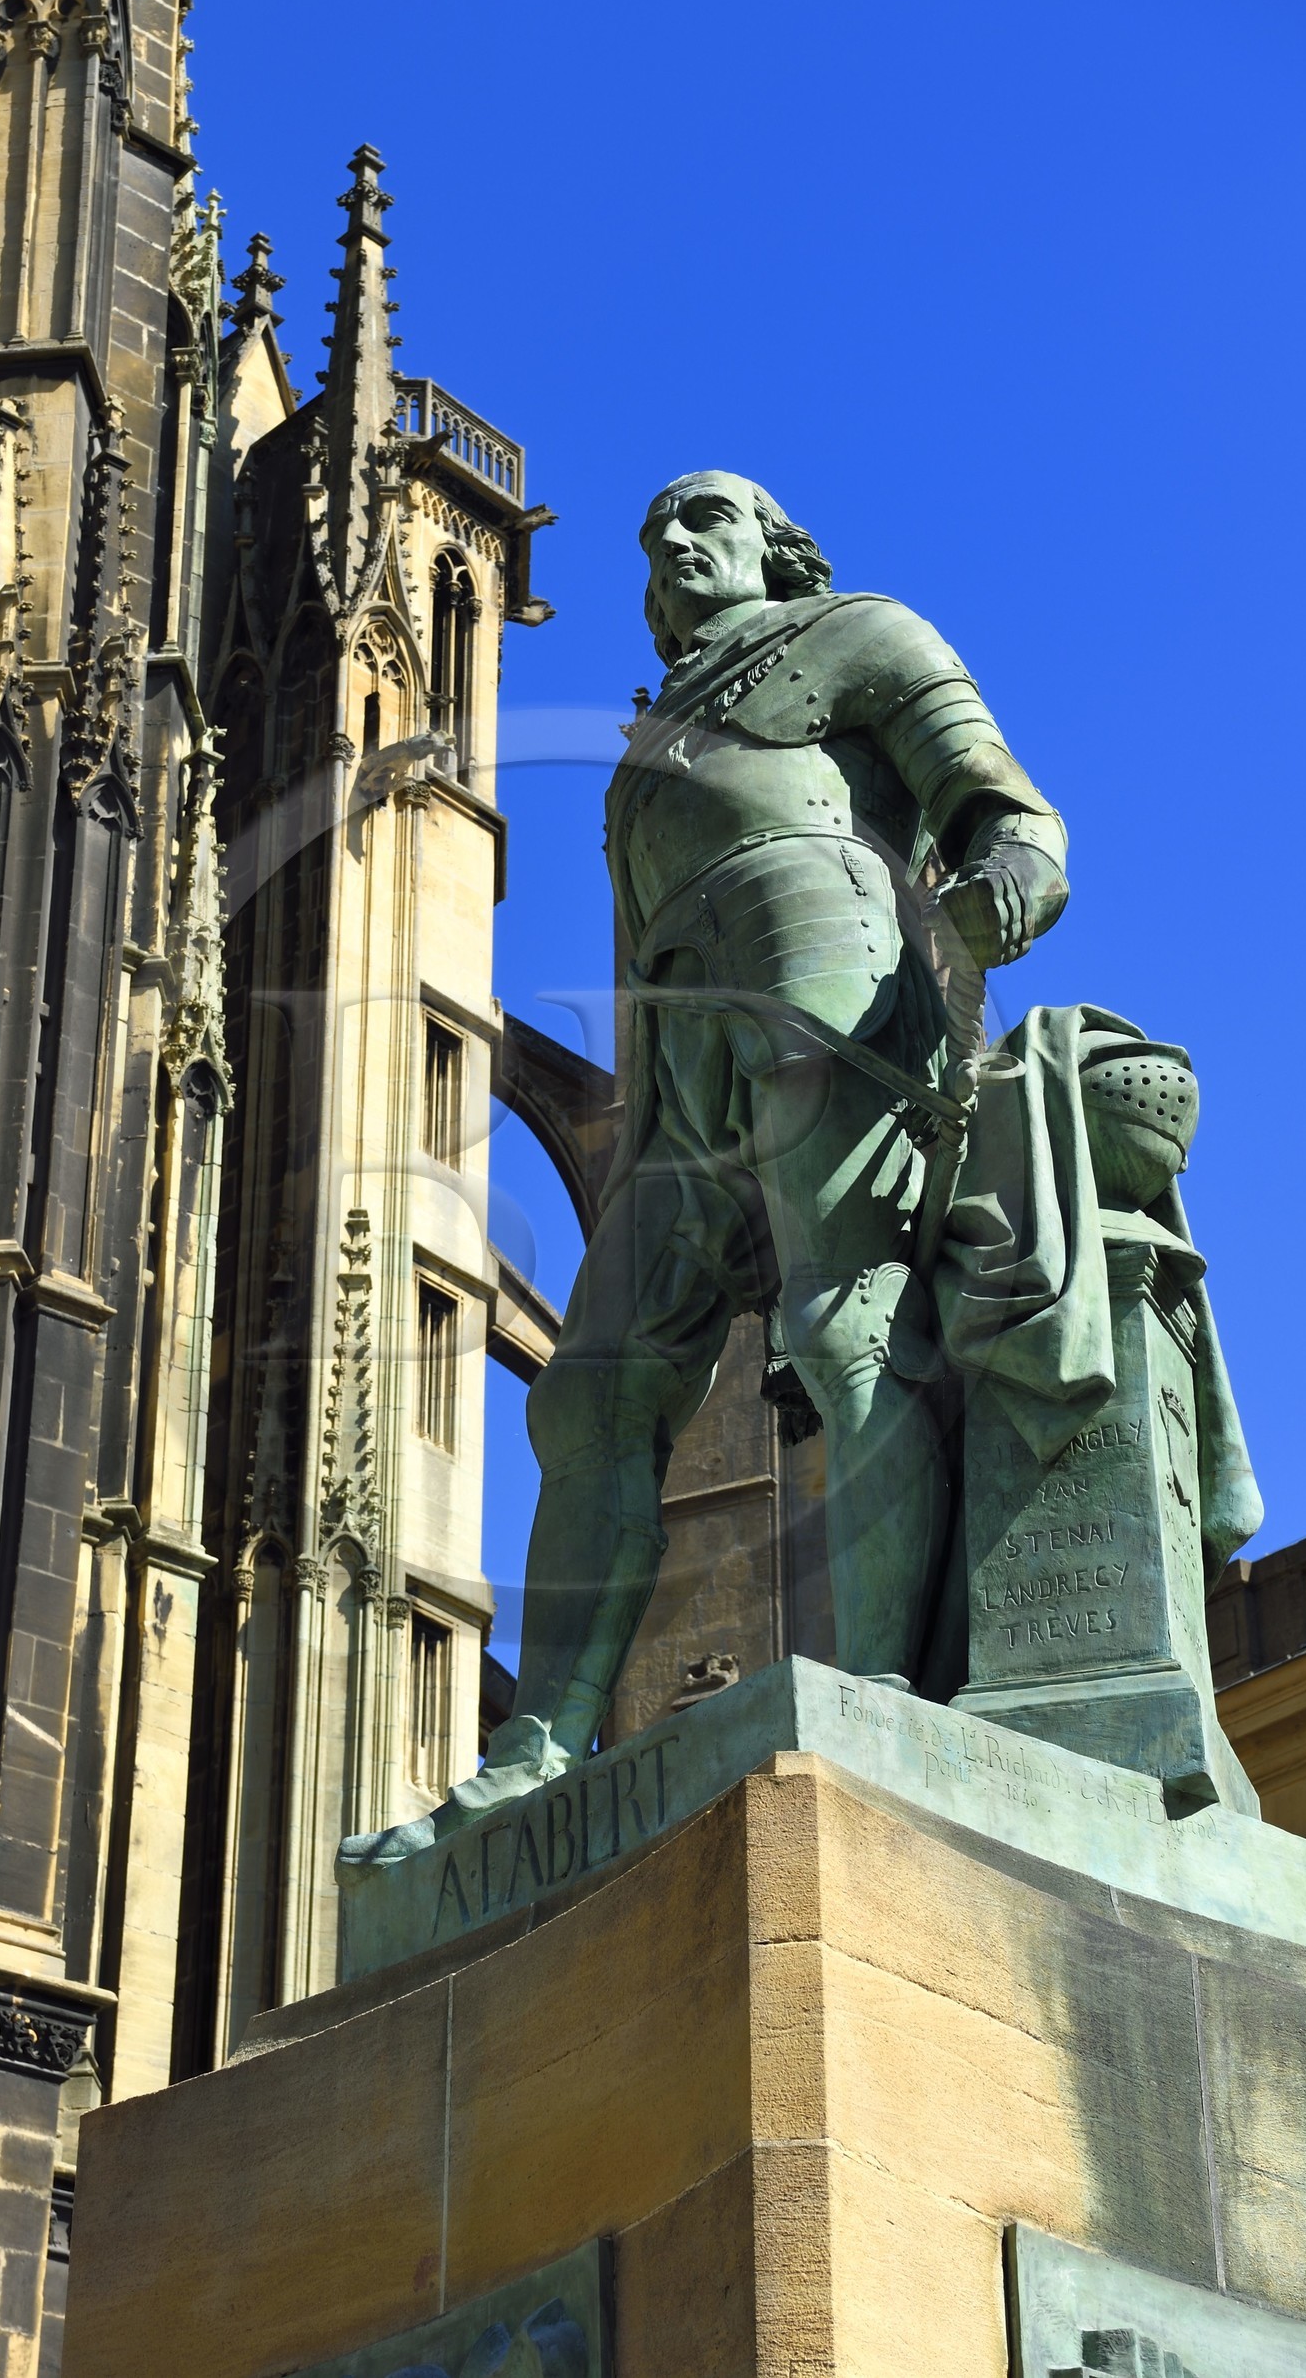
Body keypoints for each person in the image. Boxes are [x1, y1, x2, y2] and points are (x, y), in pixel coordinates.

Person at [339, 471, 1068, 1880]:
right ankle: (537, 1748)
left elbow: (1001, 805)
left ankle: (885, 1695)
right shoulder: (644, 748)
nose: (670, 546)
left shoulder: (863, 634)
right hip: (680, 1063)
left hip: (830, 976)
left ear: (777, 548)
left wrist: (1008, 890)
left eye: (704, 522)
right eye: (653, 535)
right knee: (593, 1390)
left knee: (848, 1323)